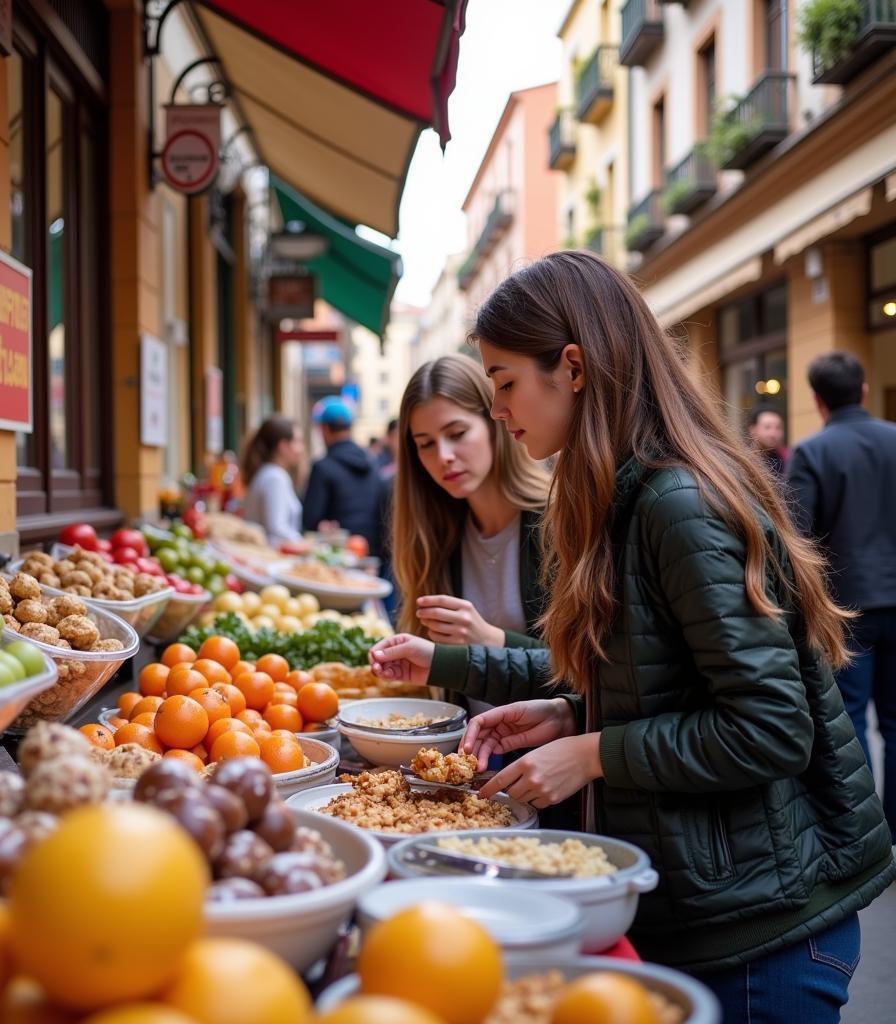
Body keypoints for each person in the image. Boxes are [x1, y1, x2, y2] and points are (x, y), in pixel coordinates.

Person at [369, 252, 894, 1023]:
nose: (500, 407)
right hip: (714, 907)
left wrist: (592, 751)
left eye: (506, 382)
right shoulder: (624, 493)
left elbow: (772, 728)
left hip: (761, 935)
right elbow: (674, 680)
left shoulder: (673, 501)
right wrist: (571, 713)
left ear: (573, 367)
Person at [787, 352, 896, 841]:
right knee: (895, 723)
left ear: (816, 398)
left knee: (849, 719)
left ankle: (865, 831)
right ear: (865, 389)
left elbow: (799, 537)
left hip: (846, 606)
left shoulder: (813, 452)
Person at [392, 354, 550, 653]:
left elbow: (593, 676)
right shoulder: (434, 537)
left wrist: (491, 640)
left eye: (457, 434)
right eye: (425, 444)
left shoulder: (558, 522)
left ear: (496, 423)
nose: (443, 456)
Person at [302, 397, 384, 554]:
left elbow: (310, 520)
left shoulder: (322, 467)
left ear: (324, 429)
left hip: (337, 555)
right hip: (372, 553)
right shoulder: (372, 462)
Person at [239, 415, 304, 547]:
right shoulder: (275, 477)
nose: (301, 448)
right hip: (272, 559)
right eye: (297, 441)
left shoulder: (268, 474)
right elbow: (276, 528)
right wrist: (304, 544)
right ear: (283, 446)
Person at [748, 403, 787, 477]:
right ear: (753, 430)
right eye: (767, 427)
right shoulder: (744, 462)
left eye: (778, 427)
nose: (773, 433)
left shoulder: (787, 459)